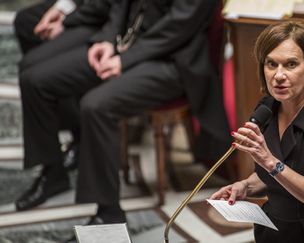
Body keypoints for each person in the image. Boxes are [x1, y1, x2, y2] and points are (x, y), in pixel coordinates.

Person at [18, 0, 231, 226]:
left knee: (96, 106)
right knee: (35, 81)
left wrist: (125, 59)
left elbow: (179, 26)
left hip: (172, 60)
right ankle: (53, 172)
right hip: (128, 45)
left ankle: (108, 213)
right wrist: (107, 40)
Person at [210, 21, 304, 243]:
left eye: (291, 64)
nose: (278, 75)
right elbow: (269, 173)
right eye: (271, 64)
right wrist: (245, 186)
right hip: (275, 230)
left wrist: (270, 161)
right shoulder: (266, 109)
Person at [14, 0, 113, 211]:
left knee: (31, 73)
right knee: (25, 22)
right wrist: (62, 7)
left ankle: (55, 168)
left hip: (108, 18)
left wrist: (67, 21)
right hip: (91, 8)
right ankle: (74, 130)